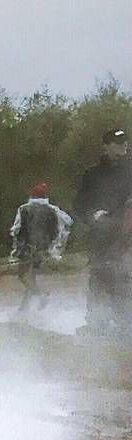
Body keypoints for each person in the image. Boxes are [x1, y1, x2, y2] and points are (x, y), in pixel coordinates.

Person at [75, 128, 132, 330]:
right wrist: (94, 215)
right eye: (118, 143)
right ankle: (96, 323)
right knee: (99, 276)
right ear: (106, 146)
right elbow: (80, 204)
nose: (123, 147)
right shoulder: (92, 174)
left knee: (125, 277)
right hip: (100, 236)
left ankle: (126, 325)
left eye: (125, 143)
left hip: (127, 237)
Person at [8, 182, 72, 312]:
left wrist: (17, 246)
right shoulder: (52, 210)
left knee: (24, 275)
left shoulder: (24, 209)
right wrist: (51, 245)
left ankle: (40, 297)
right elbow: (59, 227)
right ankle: (24, 306)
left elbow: (18, 229)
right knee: (31, 275)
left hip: (27, 247)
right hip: (43, 247)